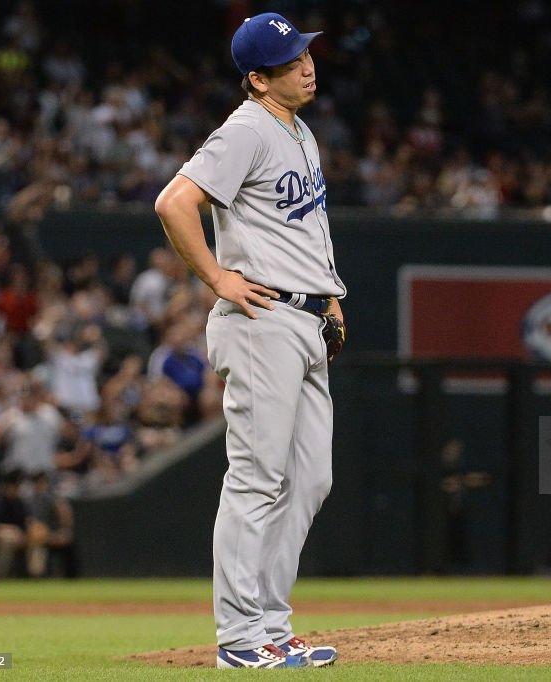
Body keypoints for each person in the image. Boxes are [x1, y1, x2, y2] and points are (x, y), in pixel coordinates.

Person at [154, 12, 345, 670]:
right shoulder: (244, 129)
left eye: (306, 55)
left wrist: (330, 299)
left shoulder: (299, 130)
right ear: (258, 79)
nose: (307, 66)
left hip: (306, 317)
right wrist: (214, 276)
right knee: (257, 479)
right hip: (262, 319)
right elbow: (174, 202)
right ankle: (239, 640)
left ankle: (269, 623)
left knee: (310, 478)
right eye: (291, 62)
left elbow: (301, 230)